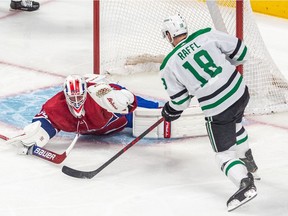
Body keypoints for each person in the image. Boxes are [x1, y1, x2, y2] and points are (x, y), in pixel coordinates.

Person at [160, 14, 259, 211]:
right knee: (236, 123)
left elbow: (180, 102)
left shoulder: (169, 65)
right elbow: (242, 52)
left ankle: (245, 183)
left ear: (170, 35)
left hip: (218, 109)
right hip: (240, 92)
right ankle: (248, 160)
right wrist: (221, 73)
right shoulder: (206, 35)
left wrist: (170, 111)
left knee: (223, 155)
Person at [7, 74, 159, 154]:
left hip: (112, 121)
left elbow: (126, 100)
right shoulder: (56, 106)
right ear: (65, 95)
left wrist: (126, 97)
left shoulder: (99, 94)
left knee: (144, 114)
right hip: (95, 129)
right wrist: (33, 136)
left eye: (79, 96)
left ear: (85, 91)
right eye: (72, 97)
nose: (76, 100)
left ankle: (162, 111)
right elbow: (46, 122)